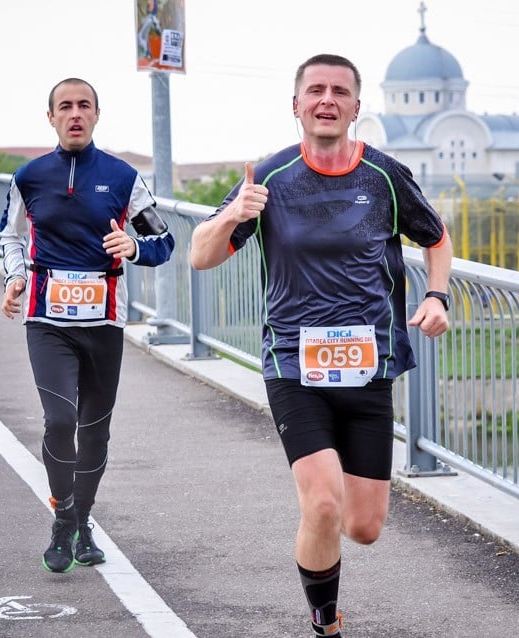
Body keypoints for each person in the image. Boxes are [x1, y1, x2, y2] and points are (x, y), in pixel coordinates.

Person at [189, 53, 453, 638]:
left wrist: (437, 297)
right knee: (324, 504)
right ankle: (325, 622)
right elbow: (200, 256)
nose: (326, 99)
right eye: (315, 90)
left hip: (369, 368)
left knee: (363, 526)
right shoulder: (270, 179)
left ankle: (322, 551)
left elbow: (436, 238)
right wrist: (236, 211)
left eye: (339, 91)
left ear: (357, 107)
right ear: (296, 104)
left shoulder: (383, 175)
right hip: (293, 365)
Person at [0, 77, 175, 574]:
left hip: (104, 323)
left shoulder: (122, 177)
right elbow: (9, 235)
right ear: (50, 116)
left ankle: (83, 520)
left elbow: (164, 243)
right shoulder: (29, 177)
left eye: (84, 106)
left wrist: (134, 247)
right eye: (65, 106)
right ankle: (63, 519)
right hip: (46, 319)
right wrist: (16, 277)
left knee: (95, 432)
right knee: (59, 422)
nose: (75, 114)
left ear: (97, 114)